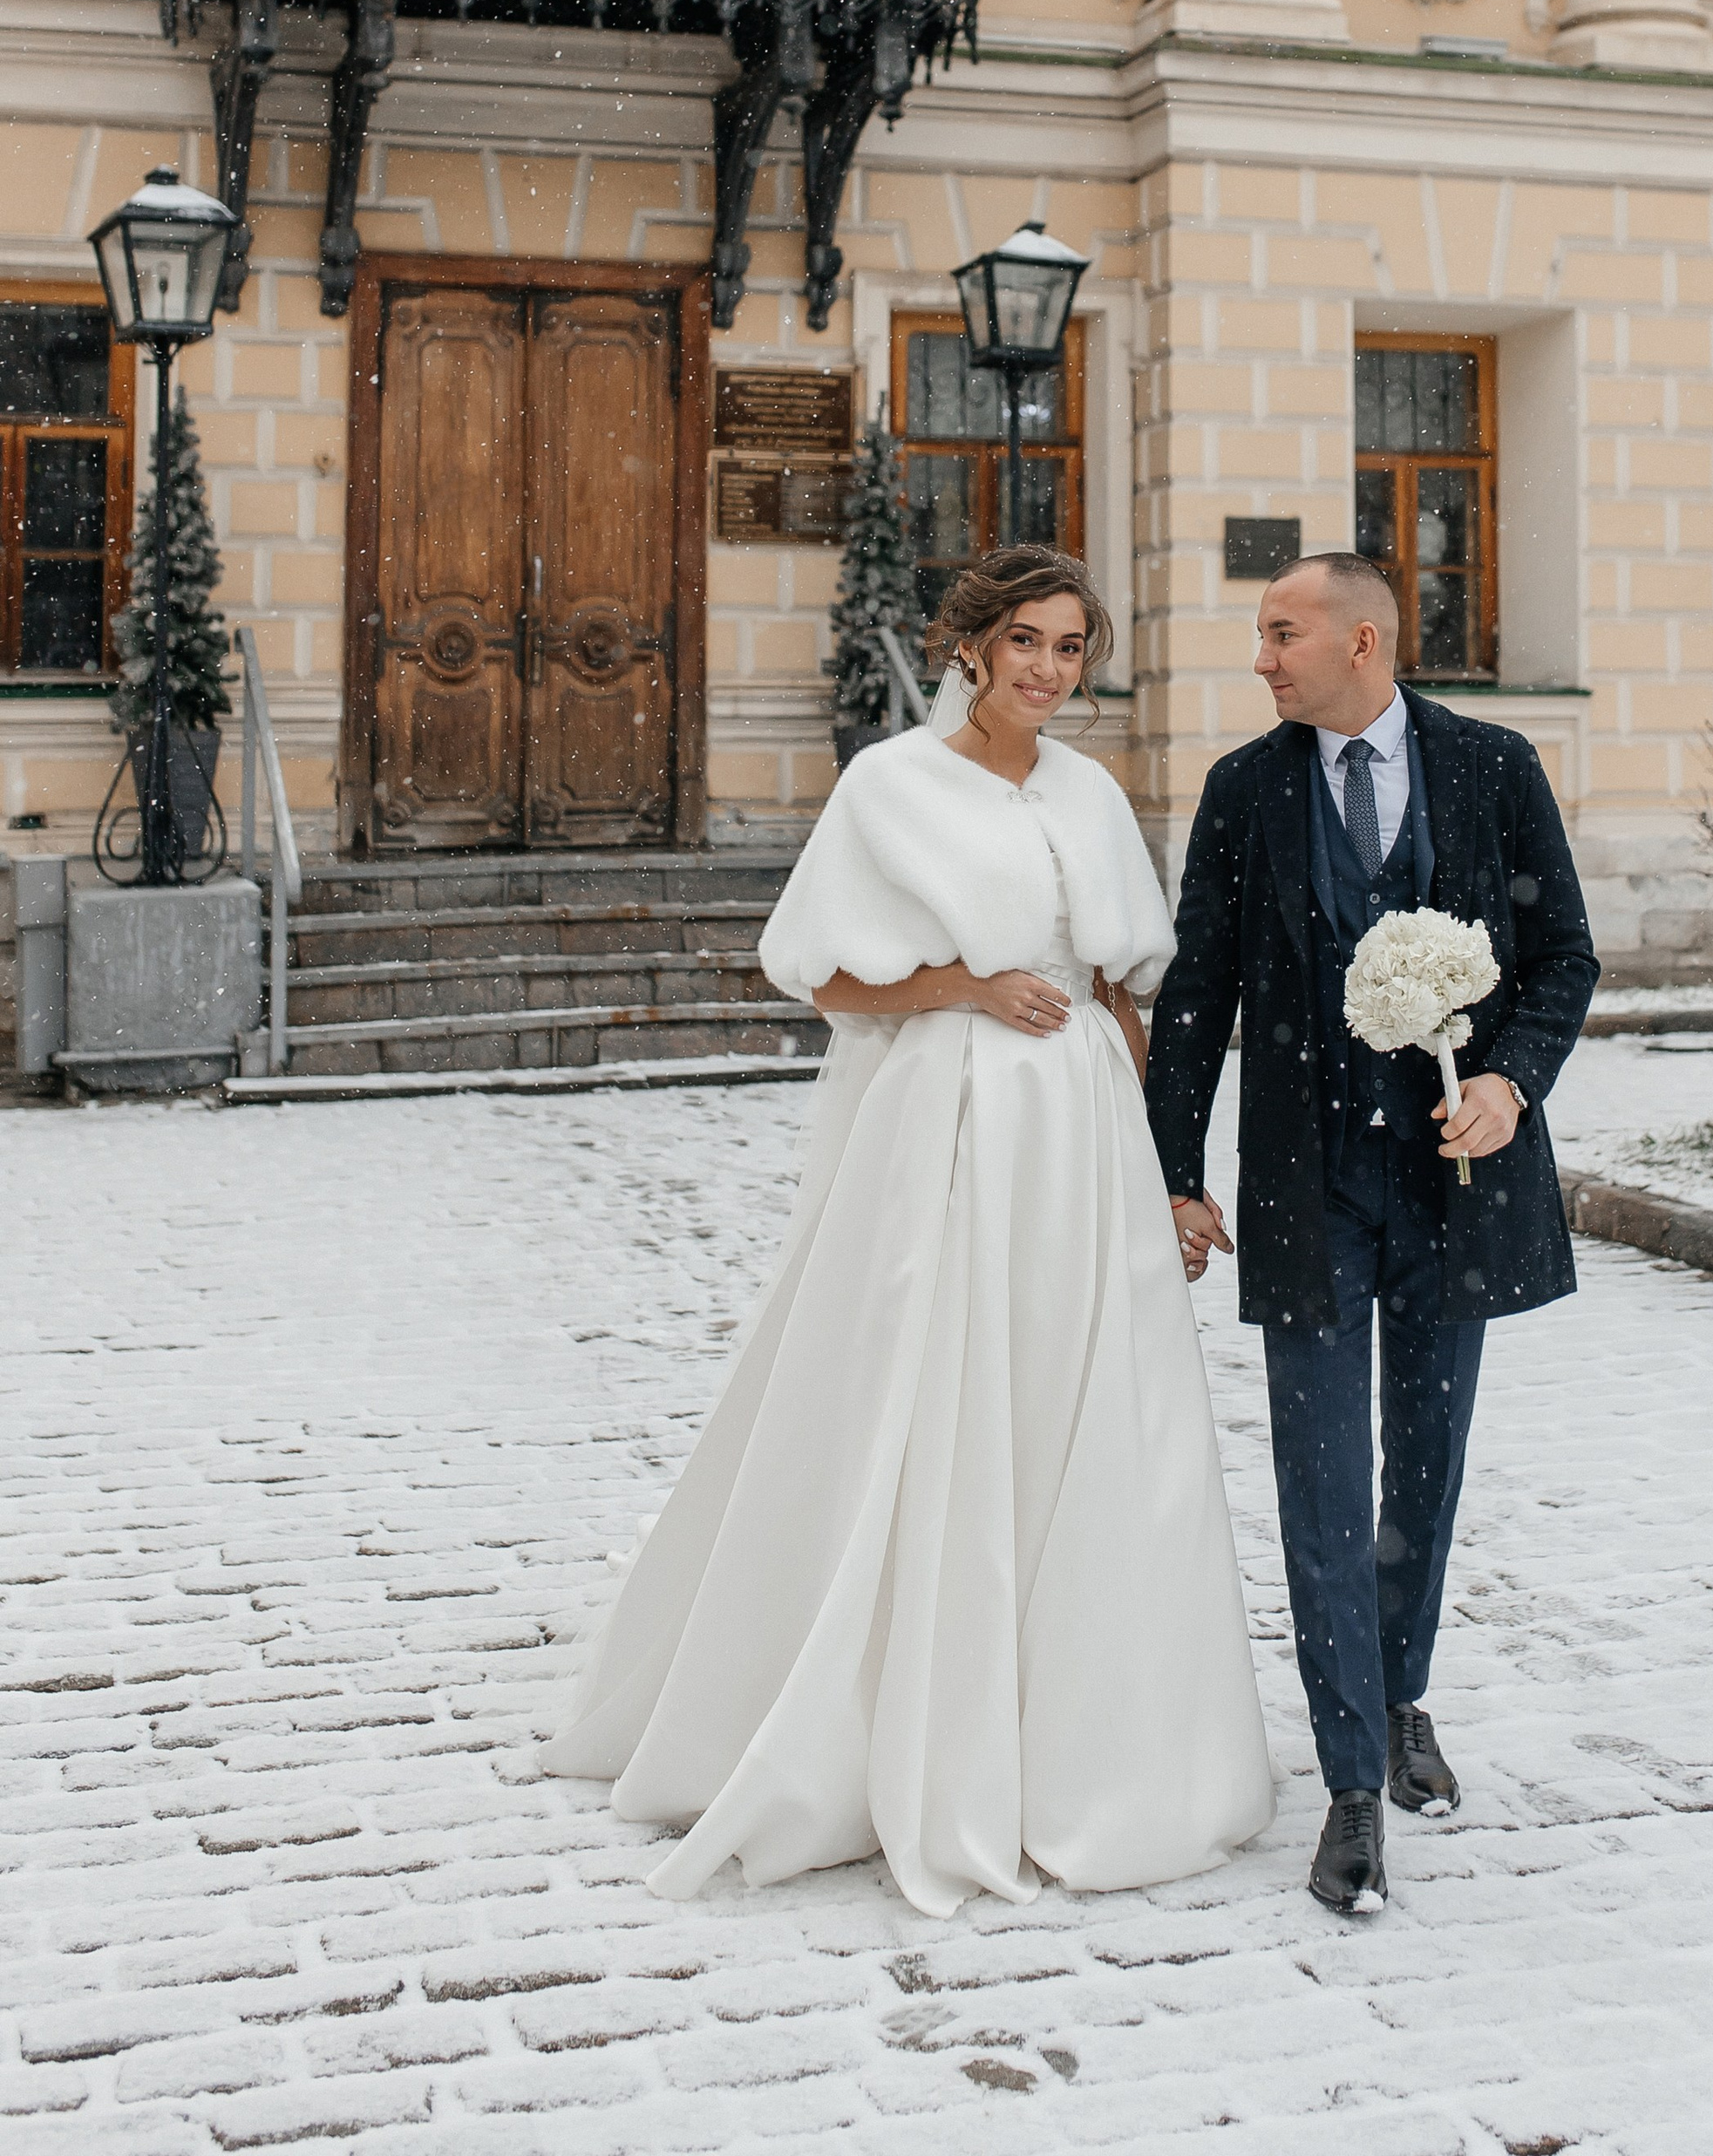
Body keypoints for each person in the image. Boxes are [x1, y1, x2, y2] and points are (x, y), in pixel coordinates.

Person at [547, 545, 1274, 1918]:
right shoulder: (894, 786)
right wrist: (967, 985)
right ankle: (888, 1714)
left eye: (1072, 647)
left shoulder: (1092, 790)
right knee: (929, 1391)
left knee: (1086, 1404)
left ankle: (1087, 1730)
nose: (1051, 671)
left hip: (1085, 1136)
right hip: (951, 1118)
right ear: (972, 647)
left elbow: (1128, 991)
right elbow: (822, 968)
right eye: (1028, 644)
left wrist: (1166, 1169)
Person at [1146, 552, 1598, 1919]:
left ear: (1362, 638)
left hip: (1459, 1186)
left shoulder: (1493, 767)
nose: (1263, 659)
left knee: (1428, 1464)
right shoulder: (1245, 790)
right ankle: (1351, 1780)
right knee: (1323, 1481)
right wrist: (1172, 1169)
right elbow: (1200, 993)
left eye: (1281, 633)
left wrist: (1513, 1083)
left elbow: (1565, 953)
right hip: (1305, 1183)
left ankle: (1403, 1693)